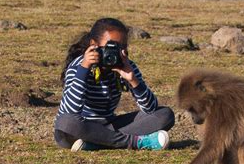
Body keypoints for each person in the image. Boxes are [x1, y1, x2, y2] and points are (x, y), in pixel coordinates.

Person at [54, 18, 175, 152]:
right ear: (93, 45)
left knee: (165, 114)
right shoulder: (78, 67)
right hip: (80, 127)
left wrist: (133, 81)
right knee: (66, 123)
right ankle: (135, 142)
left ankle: (96, 143)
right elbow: (70, 111)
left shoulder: (126, 66)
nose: (115, 52)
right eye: (110, 46)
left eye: (121, 47)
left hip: (109, 125)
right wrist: (84, 70)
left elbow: (150, 109)